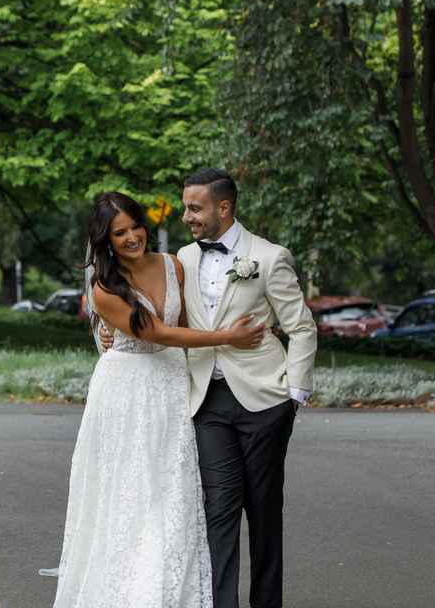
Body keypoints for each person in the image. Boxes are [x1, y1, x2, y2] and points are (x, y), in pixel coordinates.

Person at [100, 170, 317, 608]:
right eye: (185, 208)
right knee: (217, 511)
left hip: (264, 400)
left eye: (195, 208)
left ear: (224, 207)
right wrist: (115, 334)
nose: (187, 217)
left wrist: (294, 396)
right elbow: (163, 318)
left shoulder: (270, 257)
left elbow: (302, 327)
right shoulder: (182, 258)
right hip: (205, 401)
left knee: (263, 512)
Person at [53, 191, 267, 608]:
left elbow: (186, 323)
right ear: (106, 240)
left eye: (136, 225)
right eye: (120, 232)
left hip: (171, 386)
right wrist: (229, 338)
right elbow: (158, 333)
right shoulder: (103, 288)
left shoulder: (172, 265)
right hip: (125, 392)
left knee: (172, 492)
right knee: (129, 492)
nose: (132, 237)